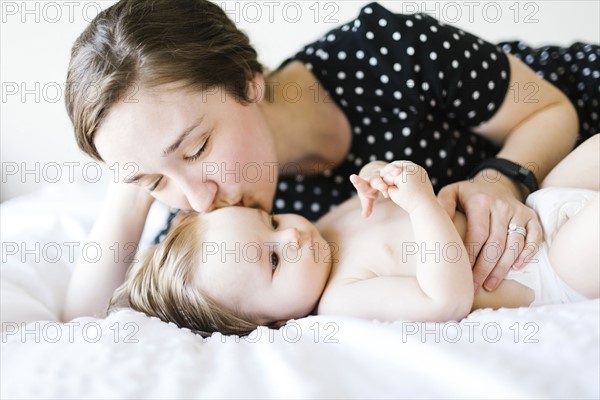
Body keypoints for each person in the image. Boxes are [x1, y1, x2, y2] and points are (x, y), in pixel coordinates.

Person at [62, 0, 600, 320]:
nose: (198, 198)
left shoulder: (380, 52)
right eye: (156, 181)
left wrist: (502, 181)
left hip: (571, 119)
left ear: (250, 82)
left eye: (197, 148)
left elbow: (550, 109)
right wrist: (136, 175)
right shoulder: (229, 247)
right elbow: (83, 322)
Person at [109, 134, 599, 337]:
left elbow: (382, 204)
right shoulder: (342, 298)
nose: (293, 238)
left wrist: (379, 175)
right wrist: (422, 202)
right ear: (266, 322)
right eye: (274, 262)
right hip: (551, 266)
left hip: (537, 208)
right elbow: (445, 299)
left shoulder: (324, 227)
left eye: (273, 224)